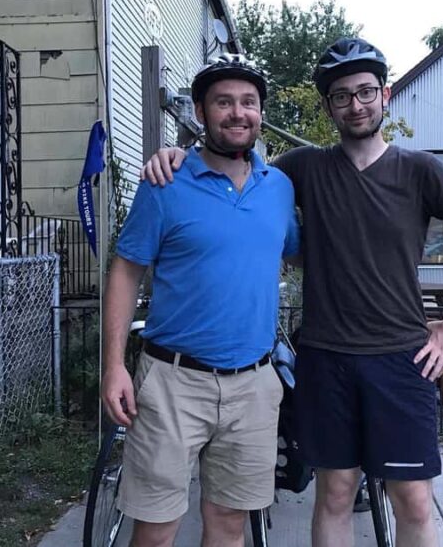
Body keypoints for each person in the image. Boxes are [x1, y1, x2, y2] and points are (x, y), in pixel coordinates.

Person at [141, 37, 443, 547]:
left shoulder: (420, 171)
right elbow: (232, 168)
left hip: (402, 358)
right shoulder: (302, 169)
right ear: (328, 105)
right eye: (341, 95)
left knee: (415, 501)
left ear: (386, 94)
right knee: (334, 494)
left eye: (365, 92)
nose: (355, 104)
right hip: (326, 357)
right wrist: (176, 155)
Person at [102, 53, 300, 547]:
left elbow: (304, 257)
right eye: (224, 101)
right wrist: (112, 366)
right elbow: (126, 271)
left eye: (249, 102)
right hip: (172, 383)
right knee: (155, 529)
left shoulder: (279, 188)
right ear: (201, 110)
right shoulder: (165, 183)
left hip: (253, 386)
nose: (238, 112)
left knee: (230, 527)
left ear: (260, 112)